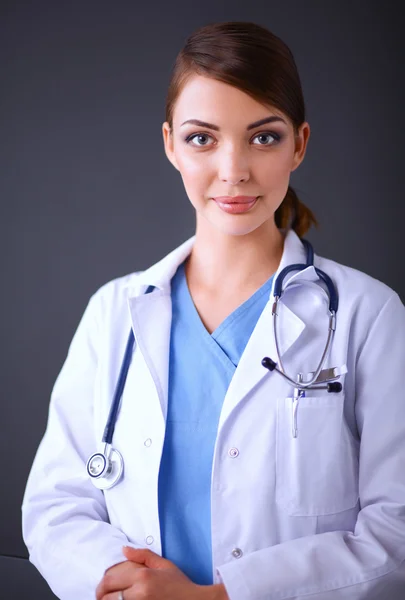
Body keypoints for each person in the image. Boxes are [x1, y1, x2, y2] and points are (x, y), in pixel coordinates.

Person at [21, 20, 405, 600]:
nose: (234, 170)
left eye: (264, 137)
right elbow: (55, 505)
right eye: (203, 138)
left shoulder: (367, 316)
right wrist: (123, 587)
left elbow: (395, 533)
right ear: (170, 144)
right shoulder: (115, 313)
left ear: (299, 144)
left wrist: (214, 598)